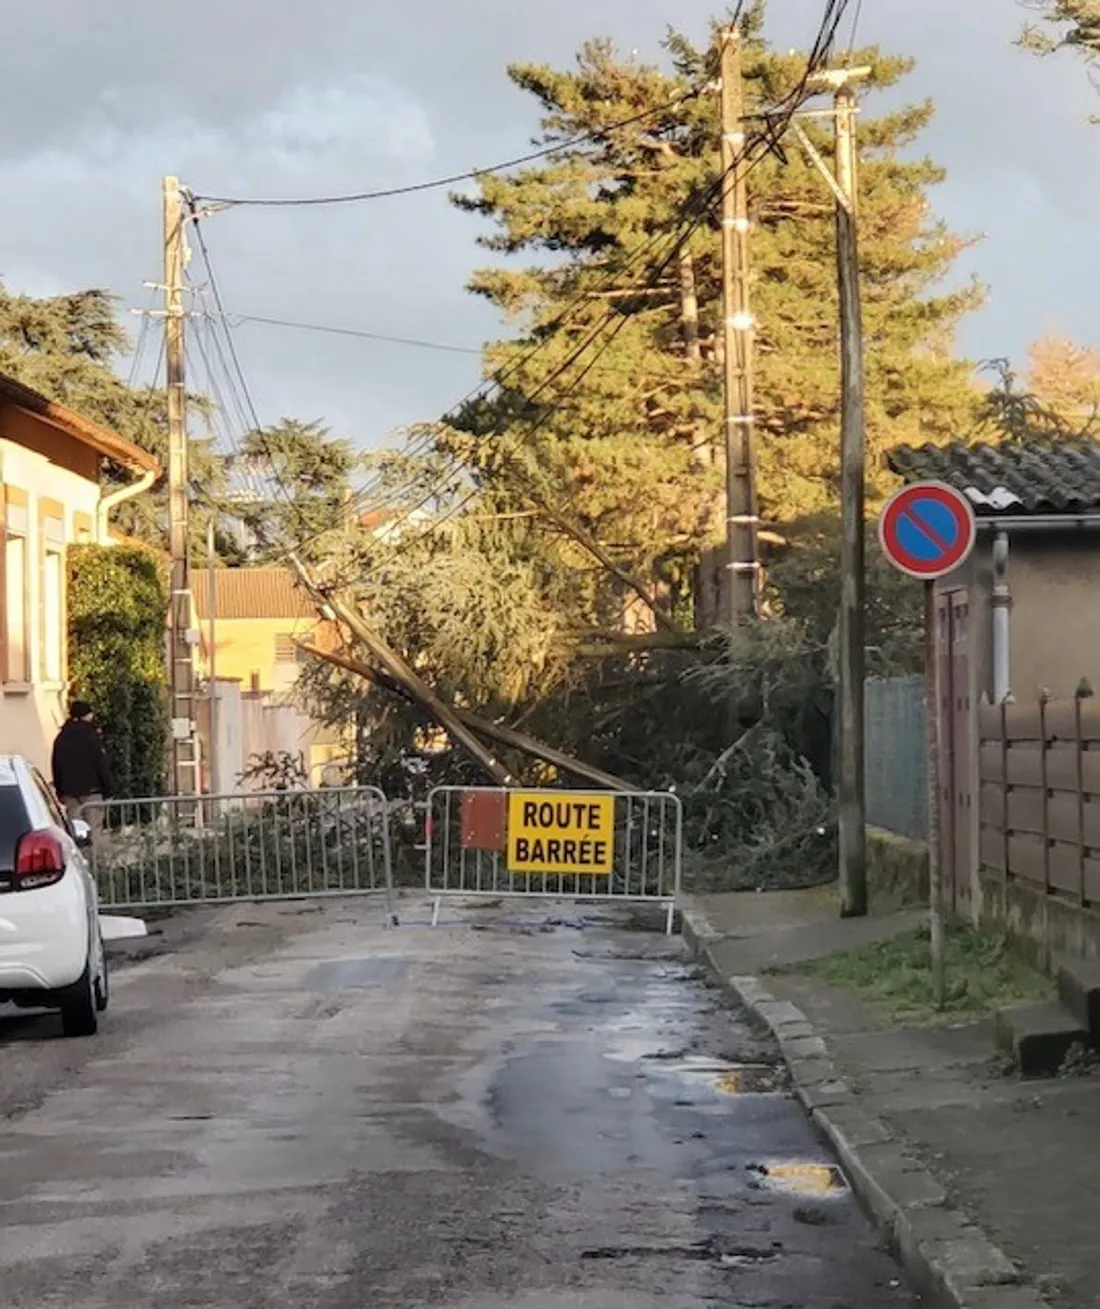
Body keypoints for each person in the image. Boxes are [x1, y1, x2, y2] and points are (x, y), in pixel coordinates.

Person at [51, 700, 114, 834]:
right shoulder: (91, 736)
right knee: (94, 829)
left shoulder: (61, 737)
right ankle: (93, 848)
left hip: (69, 792)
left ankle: (78, 848)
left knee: (77, 831)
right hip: (92, 791)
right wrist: (108, 789)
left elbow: (56, 765)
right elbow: (100, 764)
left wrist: (60, 791)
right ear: (87, 715)